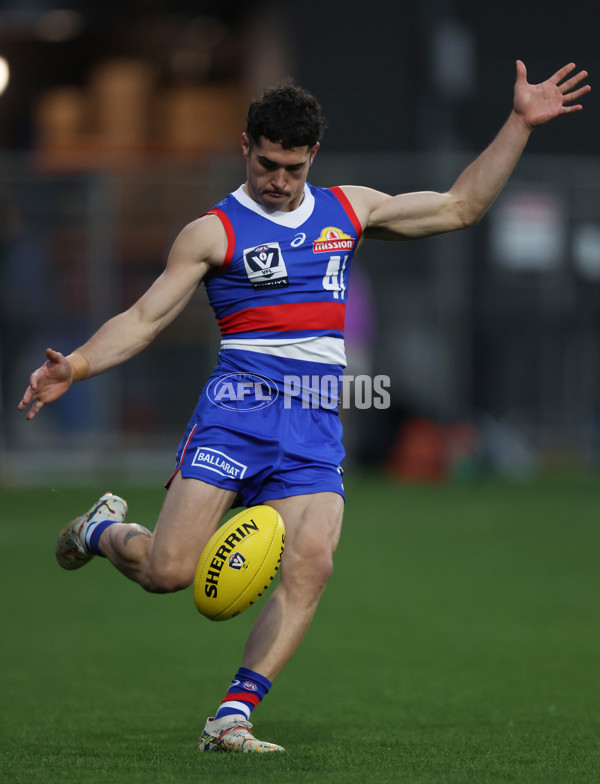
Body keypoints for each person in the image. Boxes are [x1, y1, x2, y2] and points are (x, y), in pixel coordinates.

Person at [18, 60, 589, 753]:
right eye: (266, 164)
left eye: (291, 167)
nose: (278, 180)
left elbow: (459, 206)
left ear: (312, 155)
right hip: (238, 412)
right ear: (244, 147)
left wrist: (520, 123)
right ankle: (103, 530)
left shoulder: (348, 210)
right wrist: (74, 366)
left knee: (312, 562)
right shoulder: (213, 232)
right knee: (169, 572)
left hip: (315, 419)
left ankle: (231, 716)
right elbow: (144, 317)